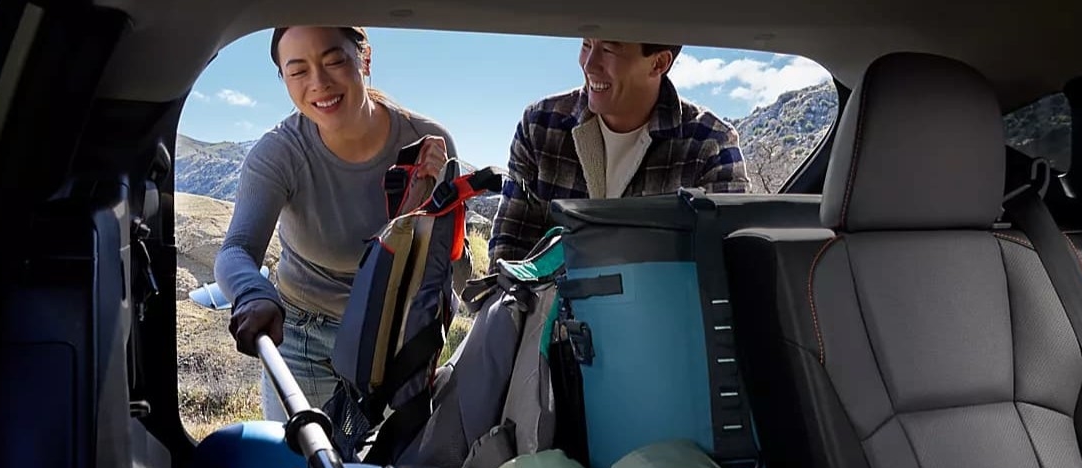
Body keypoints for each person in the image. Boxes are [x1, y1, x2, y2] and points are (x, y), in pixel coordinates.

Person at [216, 26, 457, 421]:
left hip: (393, 336)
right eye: (298, 72)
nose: (319, 84)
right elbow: (237, 249)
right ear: (284, 80)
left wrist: (430, 200)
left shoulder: (427, 141)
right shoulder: (279, 153)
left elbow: (446, 260)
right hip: (303, 336)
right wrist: (253, 293)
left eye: (333, 62)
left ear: (364, 59)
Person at [488, 39, 750, 264]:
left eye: (609, 50)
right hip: (549, 319)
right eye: (586, 45)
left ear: (658, 63)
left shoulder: (711, 145)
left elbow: (724, 277)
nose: (589, 64)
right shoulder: (540, 125)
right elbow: (508, 251)